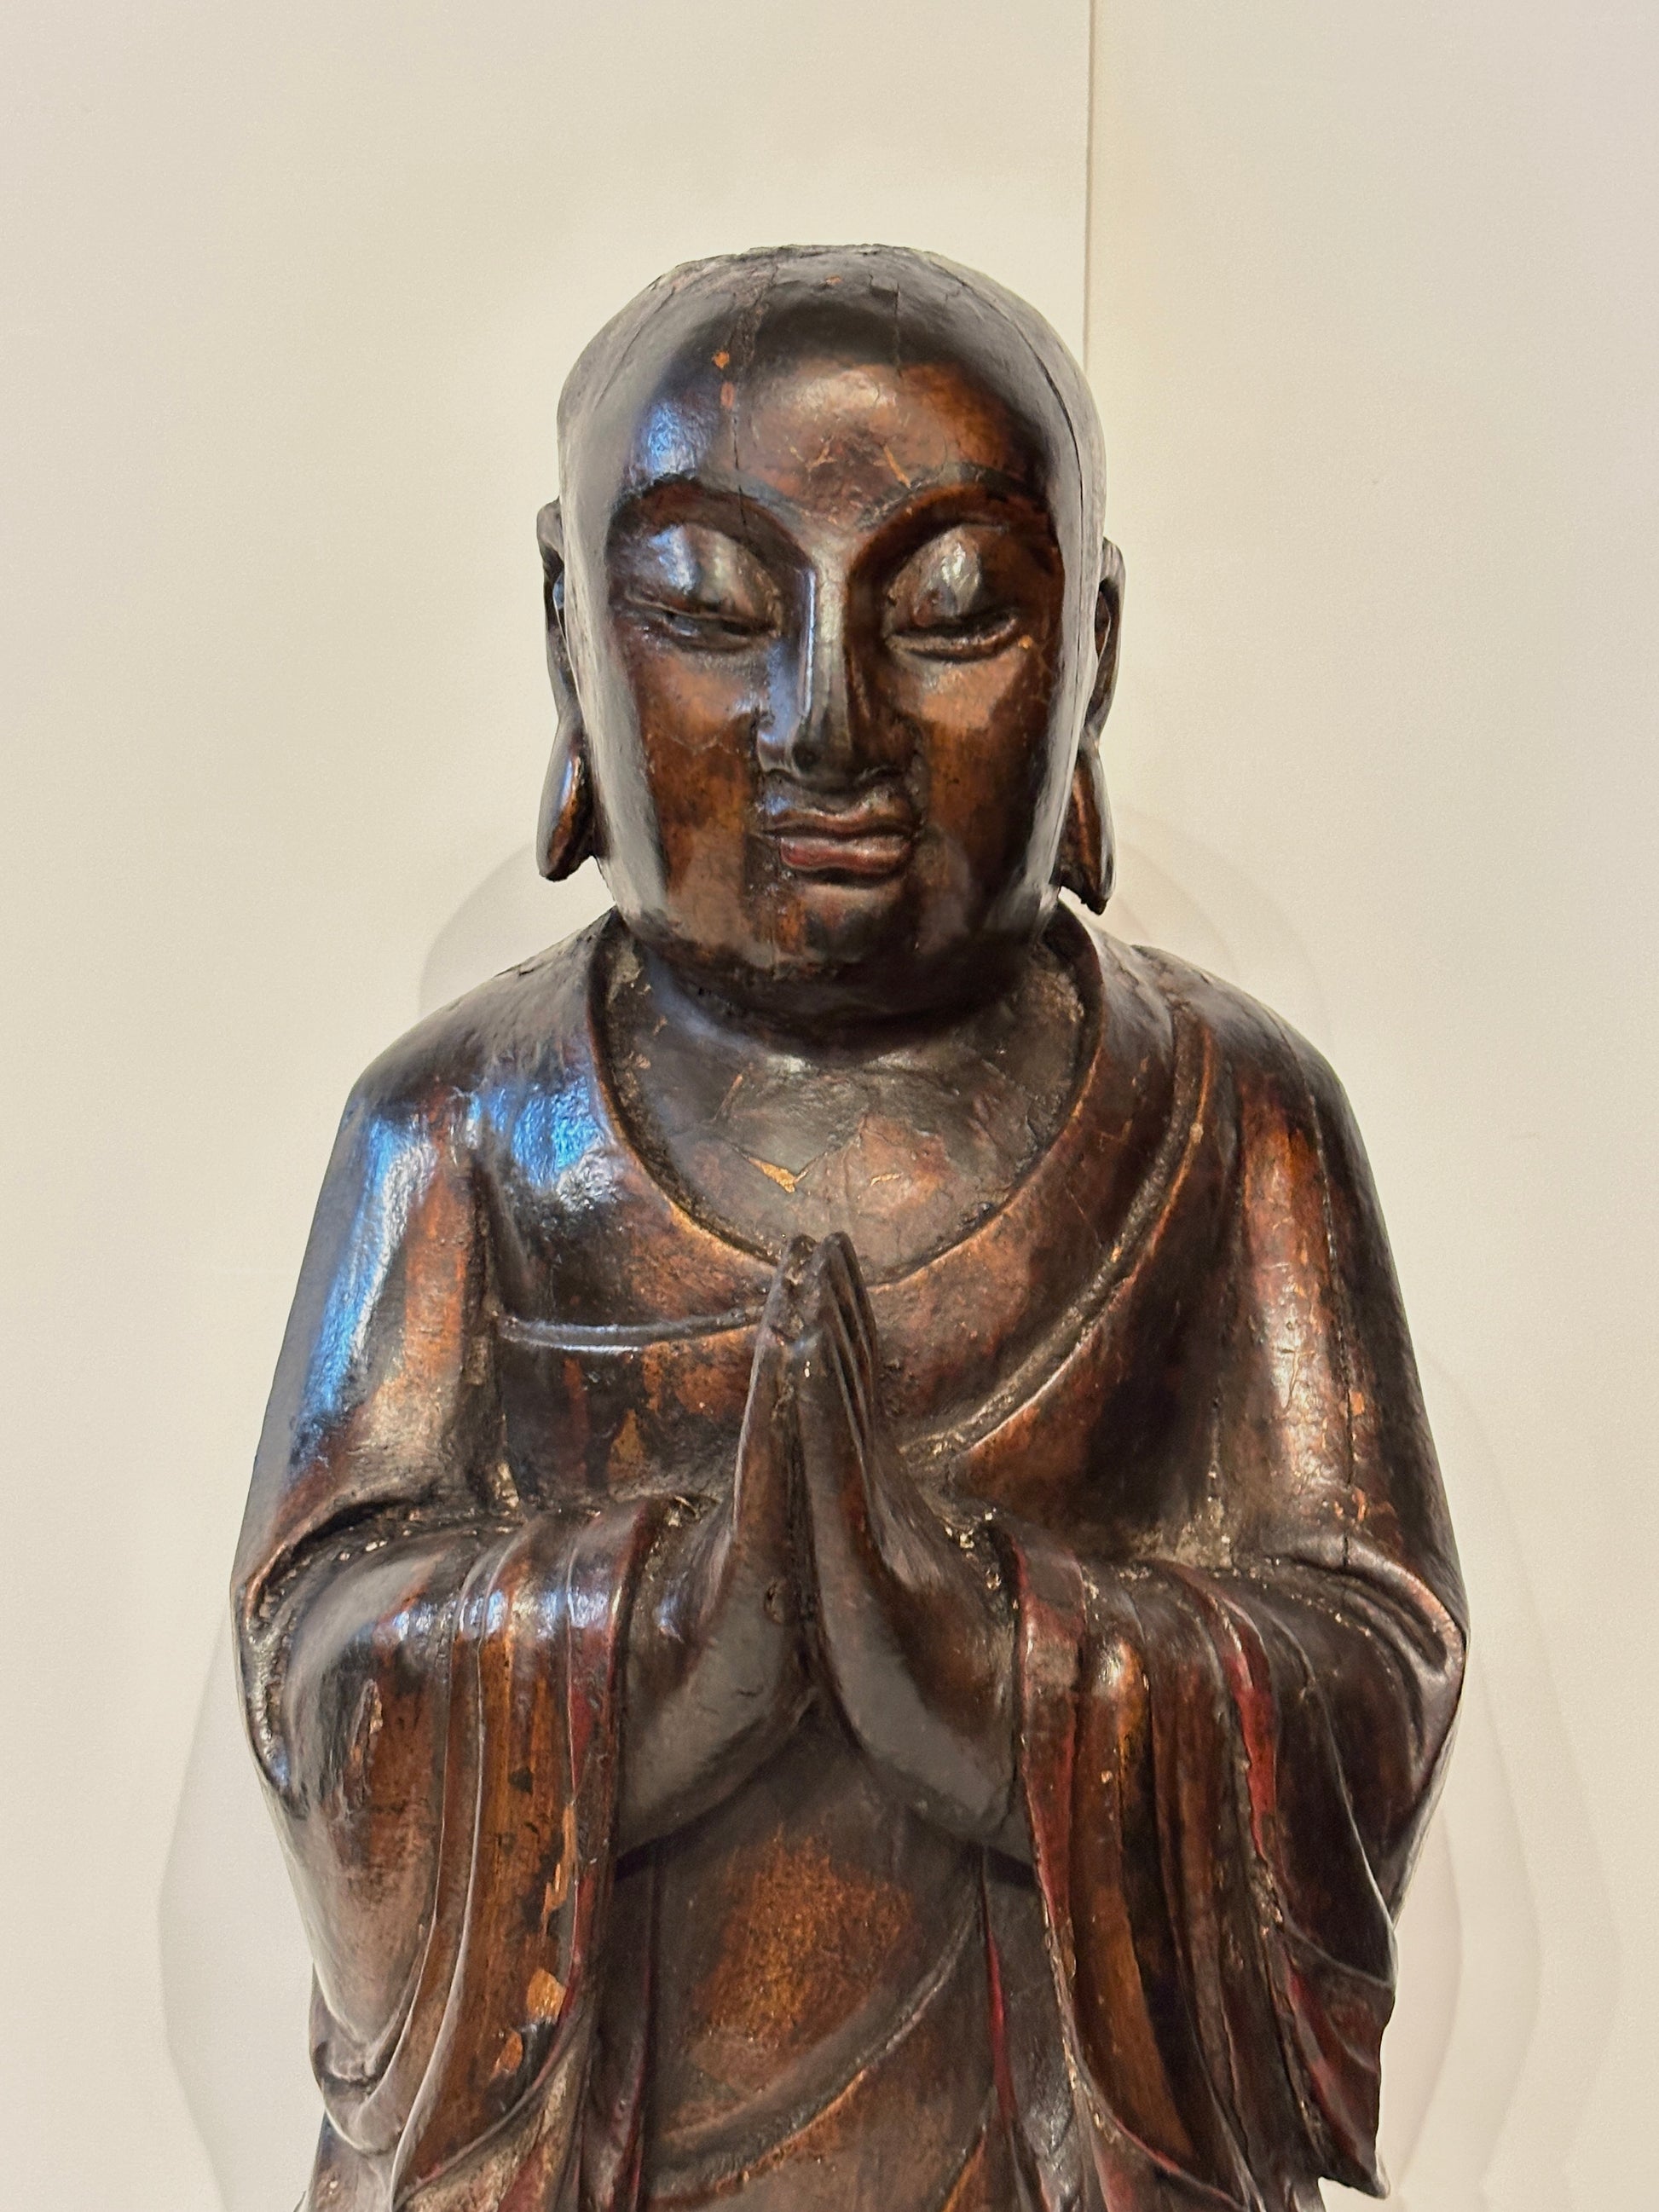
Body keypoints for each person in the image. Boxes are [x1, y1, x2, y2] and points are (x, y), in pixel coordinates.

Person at [234, 245, 1465, 2212]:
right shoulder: (463, 1128)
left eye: (952, 605)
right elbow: (311, 1661)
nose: (827, 721)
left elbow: (1374, 1662)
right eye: (711, 603)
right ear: (566, 636)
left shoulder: (1232, 1120)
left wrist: (1006, 1682)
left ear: (1093, 649)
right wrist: (646, 1657)